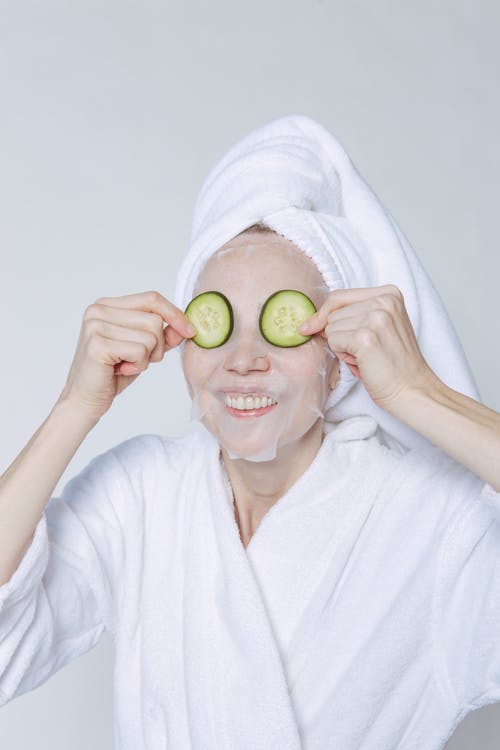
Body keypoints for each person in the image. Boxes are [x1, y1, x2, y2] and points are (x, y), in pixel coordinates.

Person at [1, 115, 500, 749]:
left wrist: (416, 392)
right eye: (216, 322)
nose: (242, 358)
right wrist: (75, 404)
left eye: (282, 323)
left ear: (340, 358)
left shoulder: (431, 519)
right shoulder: (143, 492)